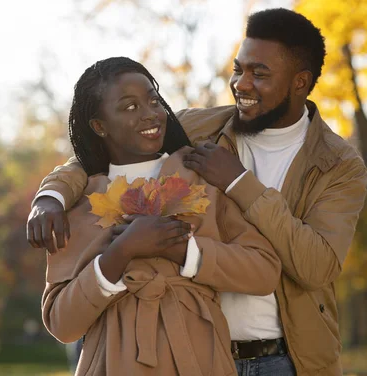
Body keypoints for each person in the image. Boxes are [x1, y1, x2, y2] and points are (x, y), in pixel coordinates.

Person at [29, 8, 367, 376]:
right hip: (199, 352)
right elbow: (100, 157)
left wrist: (239, 183)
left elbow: (316, 267)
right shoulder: (196, 127)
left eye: (260, 74)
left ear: (300, 82)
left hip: (283, 359)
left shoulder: (337, 164)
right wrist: (52, 196)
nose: (241, 84)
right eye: (239, 69)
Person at [40, 56, 281, 376]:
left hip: (200, 360)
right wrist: (120, 252)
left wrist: (183, 250)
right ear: (99, 126)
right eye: (129, 107)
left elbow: (264, 270)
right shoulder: (78, 204)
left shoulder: (203, 177)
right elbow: (61, 324)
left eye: (153, 100)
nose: (150, 114)